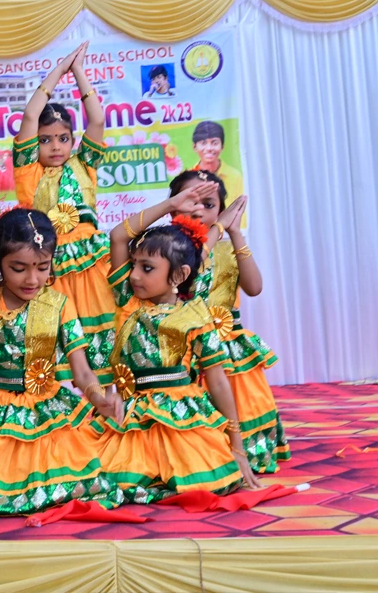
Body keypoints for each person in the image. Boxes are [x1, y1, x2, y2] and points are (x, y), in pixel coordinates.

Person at [0, 209, 125, 516]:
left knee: (83, 477)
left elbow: (82, 371)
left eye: (42, 267)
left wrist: (100, 398)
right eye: (18, 268)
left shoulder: (59, 304)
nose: (32, 279)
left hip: (46, 408)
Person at [95, 213, 262, 503]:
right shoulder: (127, 300)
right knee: (109, 481)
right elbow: (118, 236)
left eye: (147, 268)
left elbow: (218, 382)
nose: (134, 275)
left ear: (179, 275)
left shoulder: (196, 316)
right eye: (133, 264)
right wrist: (171, 205)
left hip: (181, 417)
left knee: (205, 481)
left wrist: (237, 446)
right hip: (133, 416)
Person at [166, 170, 290, 473]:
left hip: (227, 348)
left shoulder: (227, 247)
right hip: (187, 347)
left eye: (209, 204)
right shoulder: (166, 248)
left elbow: (254, 287)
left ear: (222, 211)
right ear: (173, 207)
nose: (199, 210)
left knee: (242, 404)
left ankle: (245, 454)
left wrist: (235, 233)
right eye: (191, 201)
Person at [13, 41, 116, 387]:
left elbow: (97, 119)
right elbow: (30, 116)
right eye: (45, 140)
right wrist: (59, 71)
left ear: (73, 140)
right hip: (50, 264)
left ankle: (107, 407)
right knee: (56, 337)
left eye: (63, 138)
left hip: (92, 262)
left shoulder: (85, 164)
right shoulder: (29, 172)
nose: (55, 146)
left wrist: (79, 72)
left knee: (103, 332)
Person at [191, 121, 244, 219]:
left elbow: (241, 213)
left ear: (222, 147)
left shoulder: (235, 176)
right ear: (194, 147)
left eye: (214, 143)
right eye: (203, 143)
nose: (209, 148)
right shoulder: (188, 177)